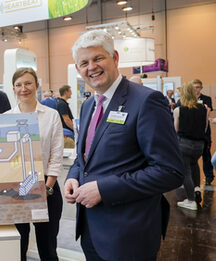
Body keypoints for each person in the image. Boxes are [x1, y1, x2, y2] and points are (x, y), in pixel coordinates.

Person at [63, 30, 184, 261]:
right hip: (90, 230)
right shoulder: (88, 105)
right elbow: (85, 158)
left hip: (128, 235)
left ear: (115, 58)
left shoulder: (146, 101)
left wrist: (104, 189)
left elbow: (170, 172)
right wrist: (74, 175)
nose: (92, 67)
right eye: (84, 63)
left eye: (98, 58)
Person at [5, 67, 63, 261]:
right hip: (16, 188)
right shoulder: (5, 118)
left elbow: (56, 155)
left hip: (47, 187)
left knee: (47, 247)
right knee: (17, 245)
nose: (24, 88)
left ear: (37, 85)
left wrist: (47, 188)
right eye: (18, 85)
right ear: (13, 88)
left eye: (28, 83)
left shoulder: (51, 115)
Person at [173, 82, 207, 210]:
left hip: (184, 144)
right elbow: (205, 128)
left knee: (186, 172)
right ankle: (197, 188)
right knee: (194, 165)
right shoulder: (203, 108)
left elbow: (175, 130)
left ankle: (191, 200)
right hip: (199, 145)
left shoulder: (178, 110)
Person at [193, 79, 214, 185]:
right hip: (192, 131)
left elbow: (208, 112)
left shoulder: (206, 99)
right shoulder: (189, 99)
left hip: (205, 131)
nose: (196, 89)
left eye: (197, 87)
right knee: (192, 157)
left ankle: (209, 177)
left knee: (206, 155)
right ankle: (192, 179)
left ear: (201, 88)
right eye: (194, 87)